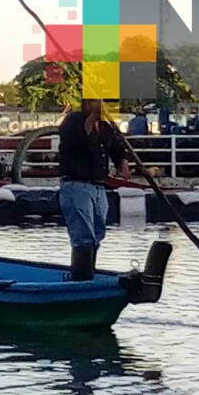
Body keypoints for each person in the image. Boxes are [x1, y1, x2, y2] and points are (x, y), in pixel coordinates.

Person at [57, 98, 131, 281]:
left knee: (97, 233)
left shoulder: (106, 126)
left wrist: (122, 162)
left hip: (98, 186)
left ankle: (88, 272)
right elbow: (80, 137)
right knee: (83, 235)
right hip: (77, 184)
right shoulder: (73, 121)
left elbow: (116, 147)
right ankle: (81, 278)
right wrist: (92, 117)